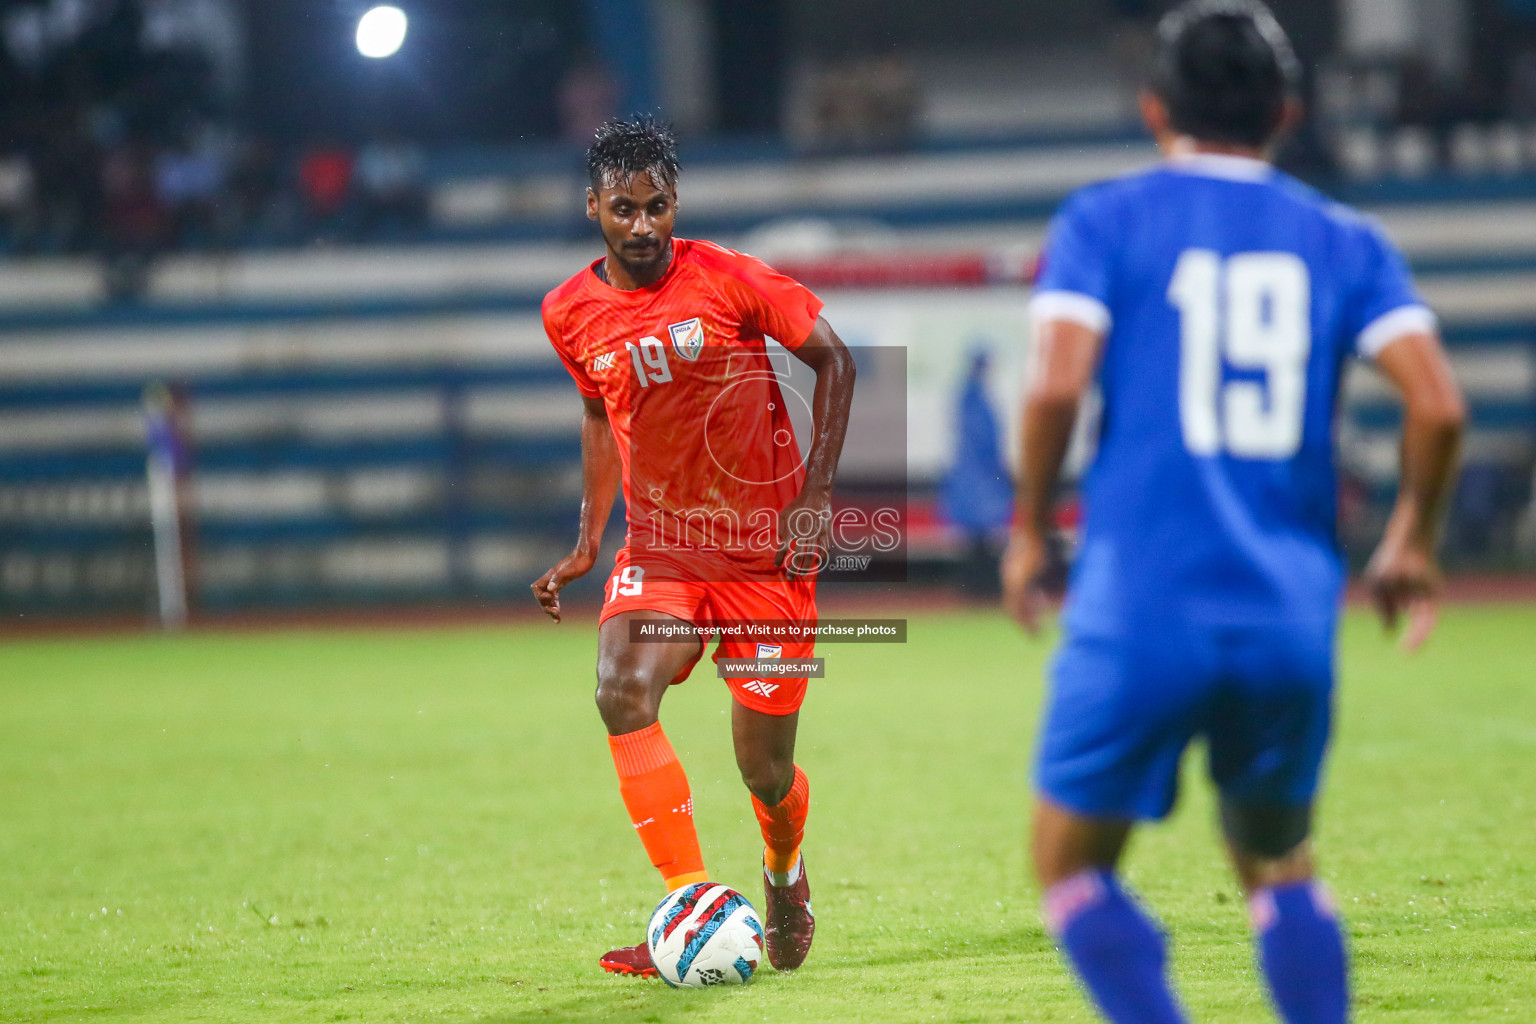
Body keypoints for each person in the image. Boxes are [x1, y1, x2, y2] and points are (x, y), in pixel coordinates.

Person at [1001, 3, 1465, 1023]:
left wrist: (1031, 527)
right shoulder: (1344, 238)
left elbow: (1053, 388)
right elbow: (1436, 403)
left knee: (1069, 867)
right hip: (1289, 612)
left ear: (1154, 106)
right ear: (1287, 112)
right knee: (1278, 861)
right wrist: (1412, 540)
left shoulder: (1104, 219)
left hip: (1143, 601)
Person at [532, 118, 857, 977]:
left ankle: (785, 876)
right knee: (620, 689)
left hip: (765, 557)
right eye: (624, 208)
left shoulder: (729, 279)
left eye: (658, 207)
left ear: (676, 203)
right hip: (664, 548)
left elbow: (837, 361)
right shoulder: (567, 312)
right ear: (594, 206)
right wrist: (586, 540)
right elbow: (602, 413)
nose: (642, 226)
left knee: (766, 770)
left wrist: (816, 494)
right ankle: (692, 905)